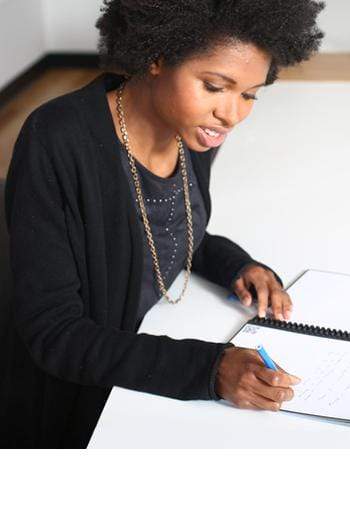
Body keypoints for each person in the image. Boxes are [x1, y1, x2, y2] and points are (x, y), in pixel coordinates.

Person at [0, 0, 325, 448]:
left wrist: (237, 266)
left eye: (249, 94)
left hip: (139, 356)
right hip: (73, 405)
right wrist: (209, 370)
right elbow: (55, 334)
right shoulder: (59, 140)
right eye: (214, 86)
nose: (231, 114)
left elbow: (164, 228)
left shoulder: (194, 132)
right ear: (156, 55)